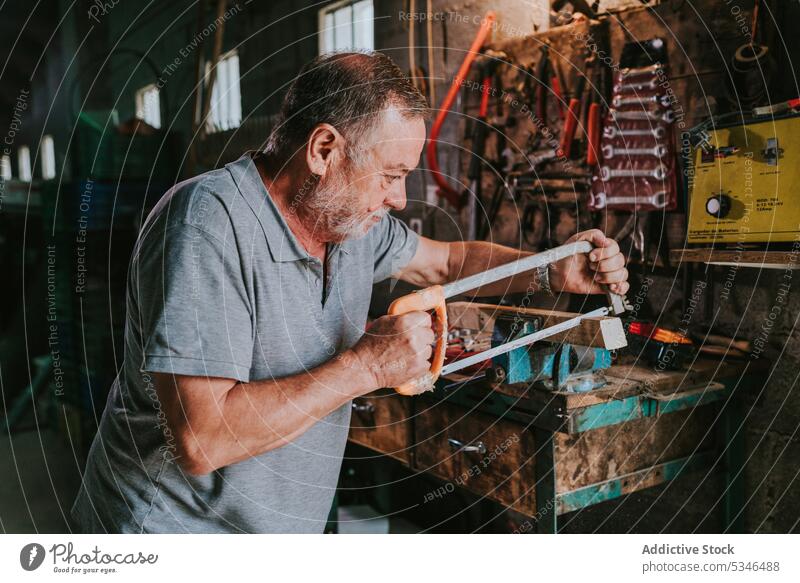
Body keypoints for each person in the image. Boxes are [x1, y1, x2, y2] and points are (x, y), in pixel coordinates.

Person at [72, 51, 629, 533]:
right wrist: (365, 367)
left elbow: (448, 262)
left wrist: (553, 270)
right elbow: (202, 440)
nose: (400, 199)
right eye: (389, 175)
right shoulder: (206, 226)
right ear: (323, 151)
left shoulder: (348, 223)